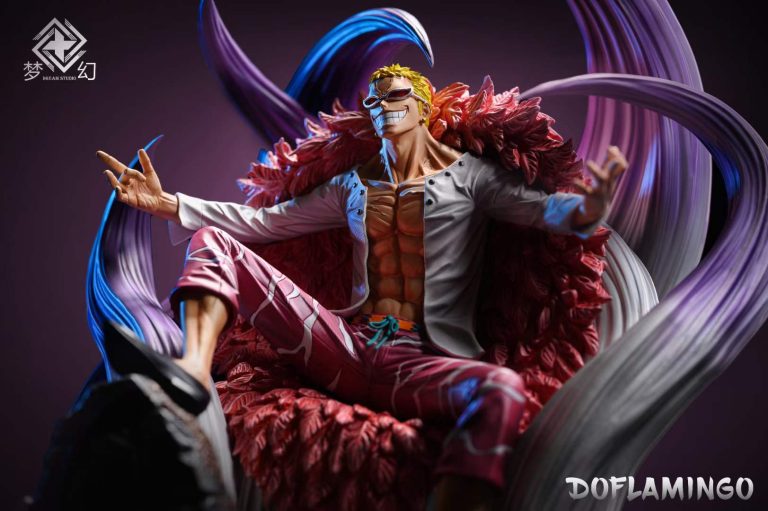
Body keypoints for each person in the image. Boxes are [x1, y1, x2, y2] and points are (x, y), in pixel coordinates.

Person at [98, 64, 626, 511]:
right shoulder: (352, 183)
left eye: (394, 97)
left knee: (502, 391)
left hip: (421, 362)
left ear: (423, 106)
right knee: (214, 241)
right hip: (344, 346)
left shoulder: (471, 177)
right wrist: (170, 204)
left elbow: (542, 211)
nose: (381, 107)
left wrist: (587, 208)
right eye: (373, 100)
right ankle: (192, 370)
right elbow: (265, 222)